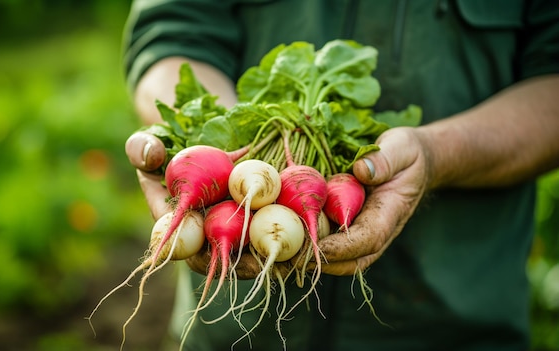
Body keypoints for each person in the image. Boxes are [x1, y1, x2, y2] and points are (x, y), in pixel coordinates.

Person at [121, 1, 559, 350]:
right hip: (234, 334)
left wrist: (434, 154)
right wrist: (206, 152)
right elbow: (171, 38)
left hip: (454, 324)